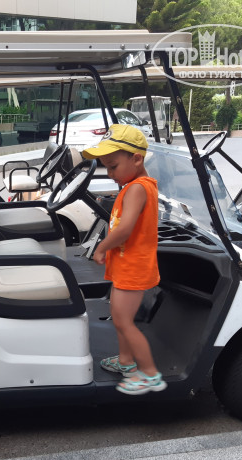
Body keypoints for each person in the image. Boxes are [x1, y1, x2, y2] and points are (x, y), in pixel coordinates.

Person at [83, 124, 166, 395]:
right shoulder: (136, 186)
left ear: (137, 159)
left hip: (133, 268)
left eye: (113, 167)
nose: (110, 174)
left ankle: (149, 374)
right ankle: (126, 361)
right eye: (106, 168)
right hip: (128, 265)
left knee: (123, 322)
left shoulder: (137, 189)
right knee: (121, 319)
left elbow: (125, 229)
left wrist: (101, 247)